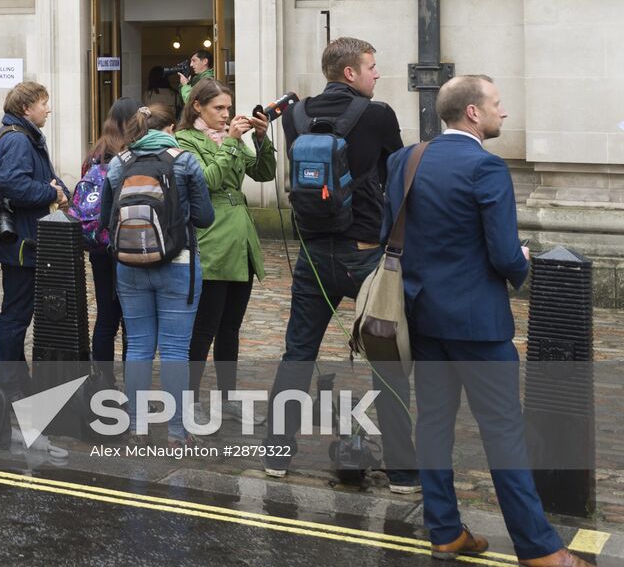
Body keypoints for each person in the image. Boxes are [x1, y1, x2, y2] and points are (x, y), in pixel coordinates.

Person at [385, 77, 581, 566]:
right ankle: (539, 549)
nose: (503, 113)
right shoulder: (486, 167)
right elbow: (503, 254)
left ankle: (446, 531)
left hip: (422, 317)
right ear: (473, 113)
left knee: (432, 425)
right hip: (478, 325)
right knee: (503, 434)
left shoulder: (404, 160)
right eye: (497, 104)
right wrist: (522, 260)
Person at [263, 37, 416, 492]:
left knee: (298, 353)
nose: (377, 74)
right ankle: (404, 472)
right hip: (367, 253)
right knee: (386, 357)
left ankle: (275, 453)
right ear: (350, 72)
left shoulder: (293, 115)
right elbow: (398, 172)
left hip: (313, 252)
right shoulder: (378, 114)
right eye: (372, 66)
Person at [100, 103, 214, 444]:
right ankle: (177, 430)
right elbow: (205, 217)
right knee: (176, 350)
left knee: (137, 347)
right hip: (178, 262)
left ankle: (136, 425)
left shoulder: (119, 163)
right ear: (169, 130)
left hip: (129, 264)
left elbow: (108, 218)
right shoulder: (185, 161)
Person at [174, 79, 275, 420]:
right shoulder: (185, 140)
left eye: (228, 108)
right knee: (204, 328)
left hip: (240, 239)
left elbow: (263, 173)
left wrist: (260, 139)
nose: (225, 114)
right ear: (197, 106)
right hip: (213, 239)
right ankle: (191, 400)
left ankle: (228, 399)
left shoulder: (229, 139)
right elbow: (205, 182)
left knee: (231, 327)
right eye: (218, 108)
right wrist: (231, 142)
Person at [0, 81, 69, 393]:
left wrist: (60, 191)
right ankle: (6, 381)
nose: (49, 109)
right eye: (44, 103)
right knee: (16, 314)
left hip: (24, 238)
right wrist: (50, 193)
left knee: (17, 311)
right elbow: (13, 184)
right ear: (25, 108)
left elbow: (47, 178)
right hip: (20, 241)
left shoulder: (26, 137)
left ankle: (14, 378)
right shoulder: (19, 140)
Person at [81, 96, 143, 363]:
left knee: (106, 315)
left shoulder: (94, 154)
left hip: (98, 242)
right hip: (127, 242)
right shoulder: (133, 155)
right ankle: (131, 383)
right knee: (132, 319)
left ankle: (103, 381)